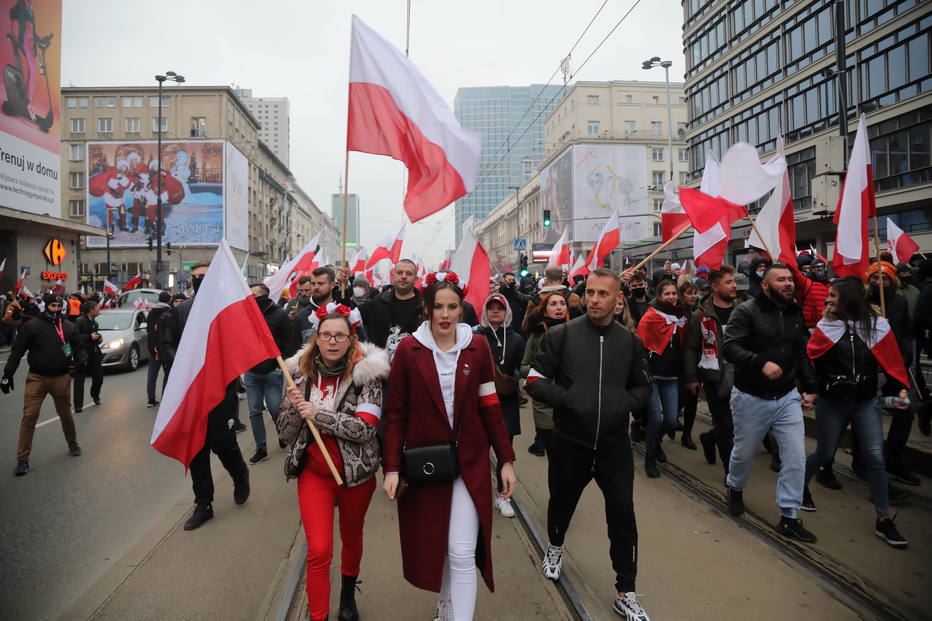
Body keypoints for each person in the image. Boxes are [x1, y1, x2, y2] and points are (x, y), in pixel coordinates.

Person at [382, 272, 516, 621]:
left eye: (452, 307)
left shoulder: (478, 346)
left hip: (469, 461)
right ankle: (445, 600)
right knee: (436, 543)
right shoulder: (409, 351)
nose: (445, 315)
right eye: (438, 307)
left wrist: (505, 459)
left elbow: (490, 405)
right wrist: (392, 467)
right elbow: (395, 414)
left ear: (462, 309)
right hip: (427, 464)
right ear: (427, 309)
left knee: (460, 550)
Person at [526, 268, 652, 621]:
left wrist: (622, 404)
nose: (594, 300)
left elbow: (642, 388)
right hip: (570, 442)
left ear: (617, 300)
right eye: (590, 293)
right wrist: (568, 399)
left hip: (614, 446)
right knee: (561, 504)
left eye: (602, 294)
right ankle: (555, 546)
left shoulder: (630, 343)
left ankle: (626, 590)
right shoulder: (562, 336)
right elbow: (534, 380)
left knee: (623, 515)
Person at [277, 311, 389, 621]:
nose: (332, 341)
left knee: (352, 538)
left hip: (355, 476)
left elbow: (365, 428)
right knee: (319, 550)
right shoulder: (298, 375)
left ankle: (348, 595)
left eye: (340, 335)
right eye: (325, 335)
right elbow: (284, 435)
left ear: (351, 339)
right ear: (316, 338)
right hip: (315, 476)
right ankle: (318, 615)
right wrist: (295, 408)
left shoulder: (368, 375)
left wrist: (317, 413)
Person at [801, 278, 908, 548]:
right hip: (832, 401)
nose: (829, 300)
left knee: (875, 456)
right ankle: (799, 487)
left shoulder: (878, 326)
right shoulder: (826, 326)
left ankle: (883, 519)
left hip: (865, 401)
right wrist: (812, 389)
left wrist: (901, 389)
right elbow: (811, 361)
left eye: (834, 296)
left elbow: (892, 360)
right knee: (825, 453)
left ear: (849, 298)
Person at [722, 264, 819, 542]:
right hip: (751, 397)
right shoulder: (746, 311)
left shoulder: (793, 311)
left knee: (796, 457)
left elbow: (800, 351)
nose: (788, 284)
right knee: (744, 453)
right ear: (765, 285)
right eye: (781, 280)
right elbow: (729, 347)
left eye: (790, 279)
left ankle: (789, 515)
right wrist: (760, 363)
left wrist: (810, 387)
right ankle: (735, 488)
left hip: (787, 397)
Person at [160, 261, 250, 530]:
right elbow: (167, 345)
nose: (200, 281)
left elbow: (239, 347)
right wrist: (185, 372)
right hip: (191, 393)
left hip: (220, 390)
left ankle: (239, 473)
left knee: (223, 442)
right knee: (196, 448)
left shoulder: (229, 310)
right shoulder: (182, 310)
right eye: (196, 277)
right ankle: (203, 503)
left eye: (205, 277)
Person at [3, 294, 86, 476]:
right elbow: (17, 351)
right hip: (37, 378)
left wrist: (80, 363)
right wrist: (8, 374)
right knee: (29, 417)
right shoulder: (32, 326)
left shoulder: (69, 327)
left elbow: (79, 348)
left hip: (61, 377)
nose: (55, 309)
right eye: (52, 306)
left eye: (58, 306)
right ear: (46, 306)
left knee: (65, 414)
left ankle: (72, 442)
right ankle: (22, 459)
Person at [861, 261, 920, 486]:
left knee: (905, 410)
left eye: (883, 278)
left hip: (894, 368)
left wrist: (905, 359)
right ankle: (861, 461)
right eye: (874, 278)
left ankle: (894, 460)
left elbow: (905, 333)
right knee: (863, 412)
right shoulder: (863, 303)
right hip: (869, 369)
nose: (878, 282)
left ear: (891, 280)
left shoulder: (900, 302)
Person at [474, 293, 525, 518]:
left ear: (506, 312)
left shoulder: (516, 339)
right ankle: (477, 493)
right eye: (491, 307)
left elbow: (522, 366)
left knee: (505, 451)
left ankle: (503, 496)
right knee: (478, 450)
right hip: (480, 402)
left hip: (506, 401)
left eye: (500, 308)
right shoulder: (476, 336)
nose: (495, 311)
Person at [683, 266, 738, 474]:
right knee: (725, 425)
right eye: (728, 282)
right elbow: (691, 348)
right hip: (716, 377)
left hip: (743, 378)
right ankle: (730, 472)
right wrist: (691, 377)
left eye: (734, 281)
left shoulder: (743, 309)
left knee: (738, 425)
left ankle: (709, 438)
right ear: (715, 287)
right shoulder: (701, 315)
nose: (734, 286)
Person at [636, 279, 687, 478]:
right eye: (667, 294)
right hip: (653, 376)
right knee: (656, 418)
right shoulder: (651, 317)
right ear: (659, 296)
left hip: (672, 377)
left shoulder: (682, 316)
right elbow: (640, 345)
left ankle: (654, 441)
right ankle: (649, 458)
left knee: (672, 419)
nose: (672, 297)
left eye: (674, 293)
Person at [244, 283, 296, 465]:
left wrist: (282, 366)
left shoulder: (279, 314)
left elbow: (289, 341)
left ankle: (282, 433)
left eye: (254, 295)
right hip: (251, 371)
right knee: (254, 411)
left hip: (273, 371)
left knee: (275, 408)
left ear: (264, 297)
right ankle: (261, 448)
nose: (250, 298)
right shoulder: (245, 314)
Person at [521, 293, 568, 457]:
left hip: (569, 401)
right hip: (545, 401)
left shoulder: (575, 332)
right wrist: (540, 369)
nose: (559, 307)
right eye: (553, 304)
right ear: (545, 311)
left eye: (562, 303)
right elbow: (523, 368)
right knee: (551, 449)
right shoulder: (536, 336)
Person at [358, 259, 421, 359]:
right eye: (399, 273)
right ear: (393, 275)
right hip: (381, 370)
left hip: (413, 368)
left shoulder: (424, 307)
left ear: (416, 279)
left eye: (409, 273)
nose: (403, 276)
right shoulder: (378, 302)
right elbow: (350, 317)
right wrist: (342, 288)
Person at [73, 300, 103, 412]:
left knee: (99, 377)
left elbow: (95, 338)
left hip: (94, 353)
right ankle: (78, 405)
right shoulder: (80, 321)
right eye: (96, 308)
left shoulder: (95, 322)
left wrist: (99, 338)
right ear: (91, 310)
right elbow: (75, 337)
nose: (98, 309)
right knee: (79, 380)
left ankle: (95, 395)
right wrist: (89, 337)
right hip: (81, 354)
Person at [145, 291, 173, 407]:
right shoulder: (169, 312)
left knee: (152, 373)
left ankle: (151, 399)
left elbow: (148, 329)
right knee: (167, 373)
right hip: (164, 348)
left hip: (152, 347)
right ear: (169, 301)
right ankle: (165, 398)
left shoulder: (151, 312)